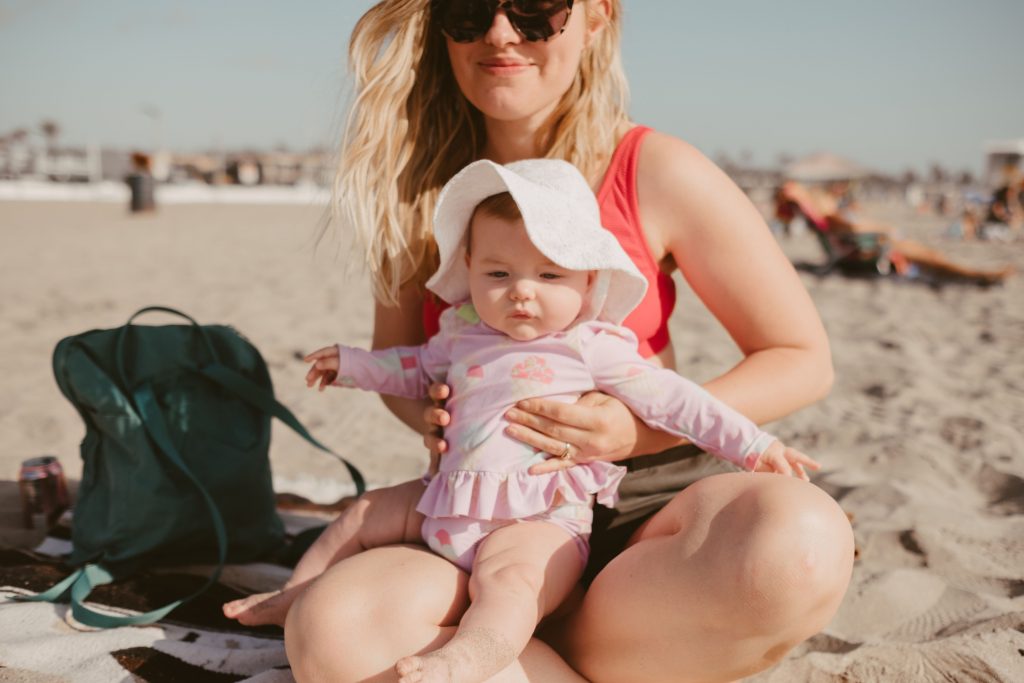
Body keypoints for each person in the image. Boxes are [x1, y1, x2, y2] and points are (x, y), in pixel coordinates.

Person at [225, 2, 857, 681]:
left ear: (597, 18)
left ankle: (555, 643)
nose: (500, 32)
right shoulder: (420, 191)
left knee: (800, 544)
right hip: (481, 513)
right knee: (330, 632)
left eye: (536, 8)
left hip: (647, 510)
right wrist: (437, 412)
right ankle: (537, 643)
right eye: (469, 8)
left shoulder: (654, 169)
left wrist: (630, 428)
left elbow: (800, 357)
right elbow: (405, 369)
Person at [297, 158, 823, 683]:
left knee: (511, 582)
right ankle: (292, 593)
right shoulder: (460, 334)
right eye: (498, 274)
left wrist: (752, 445)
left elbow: (677, 401)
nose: (522, 290)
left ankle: (473, 655)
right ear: (470, 267)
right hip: (451, 499)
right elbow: (407, 367)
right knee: (362, 514)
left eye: (549, 275)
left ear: (589, 279)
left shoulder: (589, 345)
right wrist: (350, 364)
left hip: (538, 515)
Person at [776, 180, 1014, 284]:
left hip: (868, 247)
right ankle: (976, 276)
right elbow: (855, 228)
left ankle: (975, 275)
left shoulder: (826, 218)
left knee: (931, 257)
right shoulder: (831, 217)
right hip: (871, 250)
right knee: (931, 258)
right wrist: (885, 228)